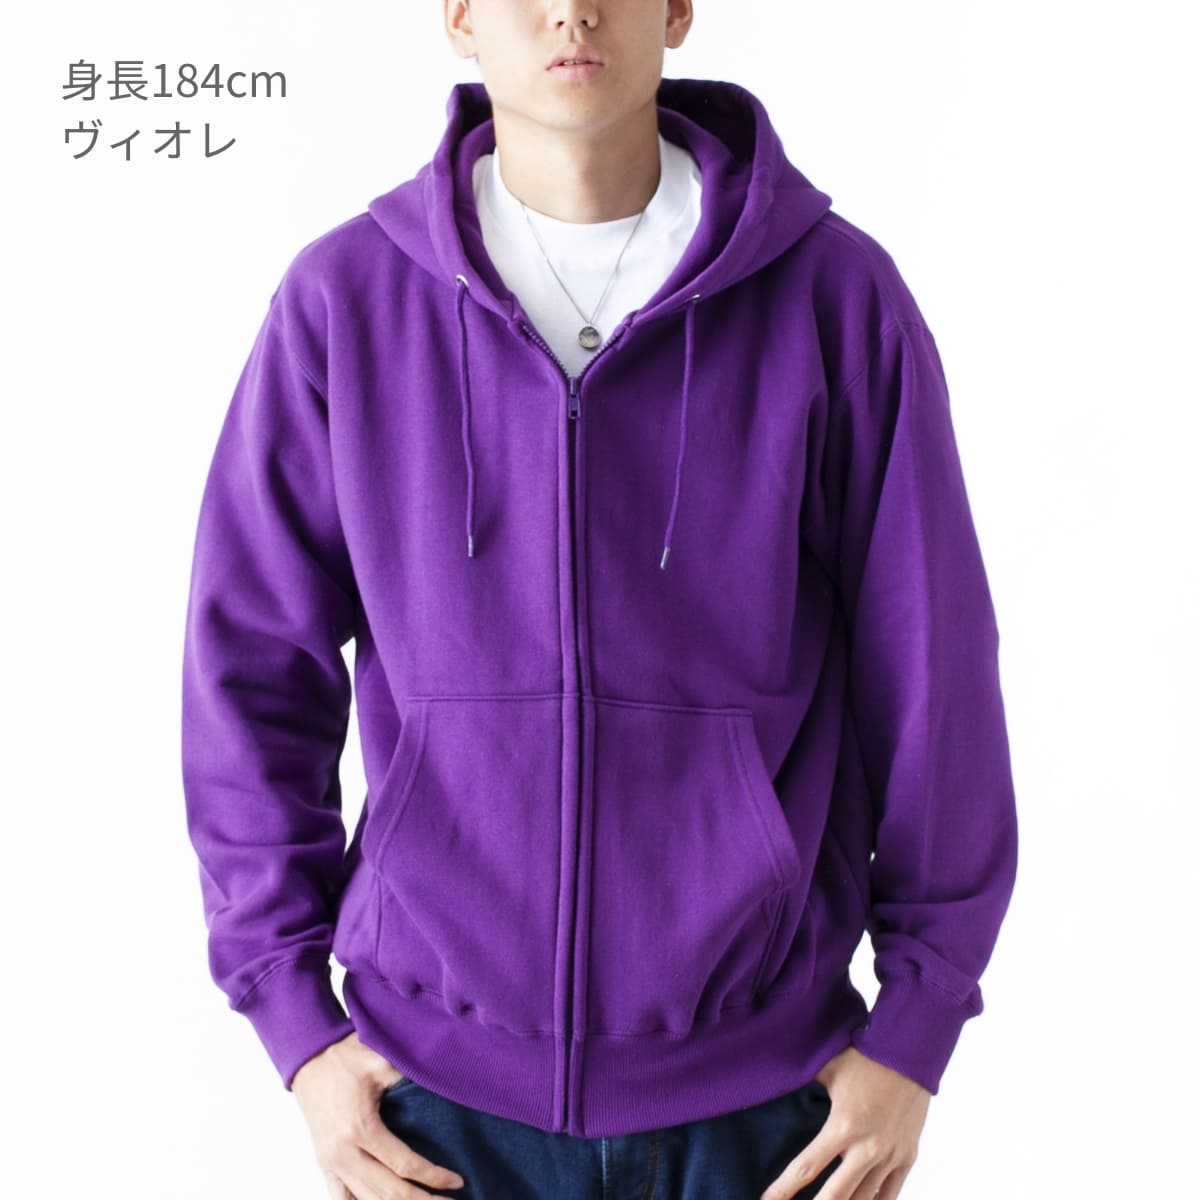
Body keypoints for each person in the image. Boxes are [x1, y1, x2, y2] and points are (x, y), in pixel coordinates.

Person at [180, 2, 1019, 1197]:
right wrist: (295, 1023)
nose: (571, 10)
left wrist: (916, 1029)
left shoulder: (834, 298)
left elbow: (932, 671)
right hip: (430, 1103)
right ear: (460, 16)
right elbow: (251, 669)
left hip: (765, 1104)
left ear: (675, 9)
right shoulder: (346, 304)